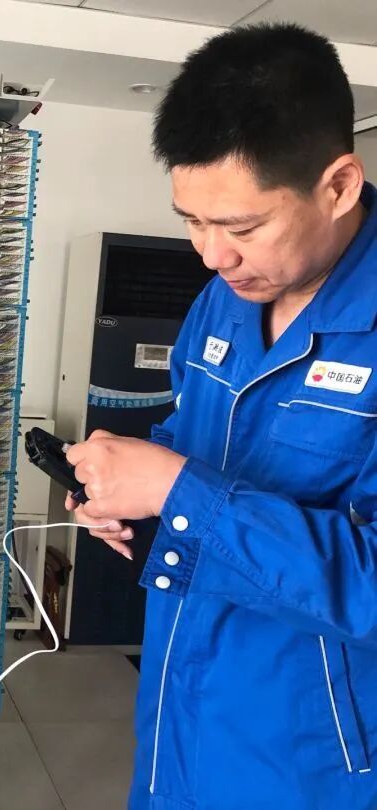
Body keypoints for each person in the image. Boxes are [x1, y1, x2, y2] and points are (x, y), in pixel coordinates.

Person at [65, 23, 377, 809]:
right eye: (192, 221)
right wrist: (129, 491)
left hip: (313, 766)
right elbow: (193, 442)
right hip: (181, 718)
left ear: (339, 185)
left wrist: (180, 493)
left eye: (241, 227)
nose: (211, 255)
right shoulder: (225, 300)